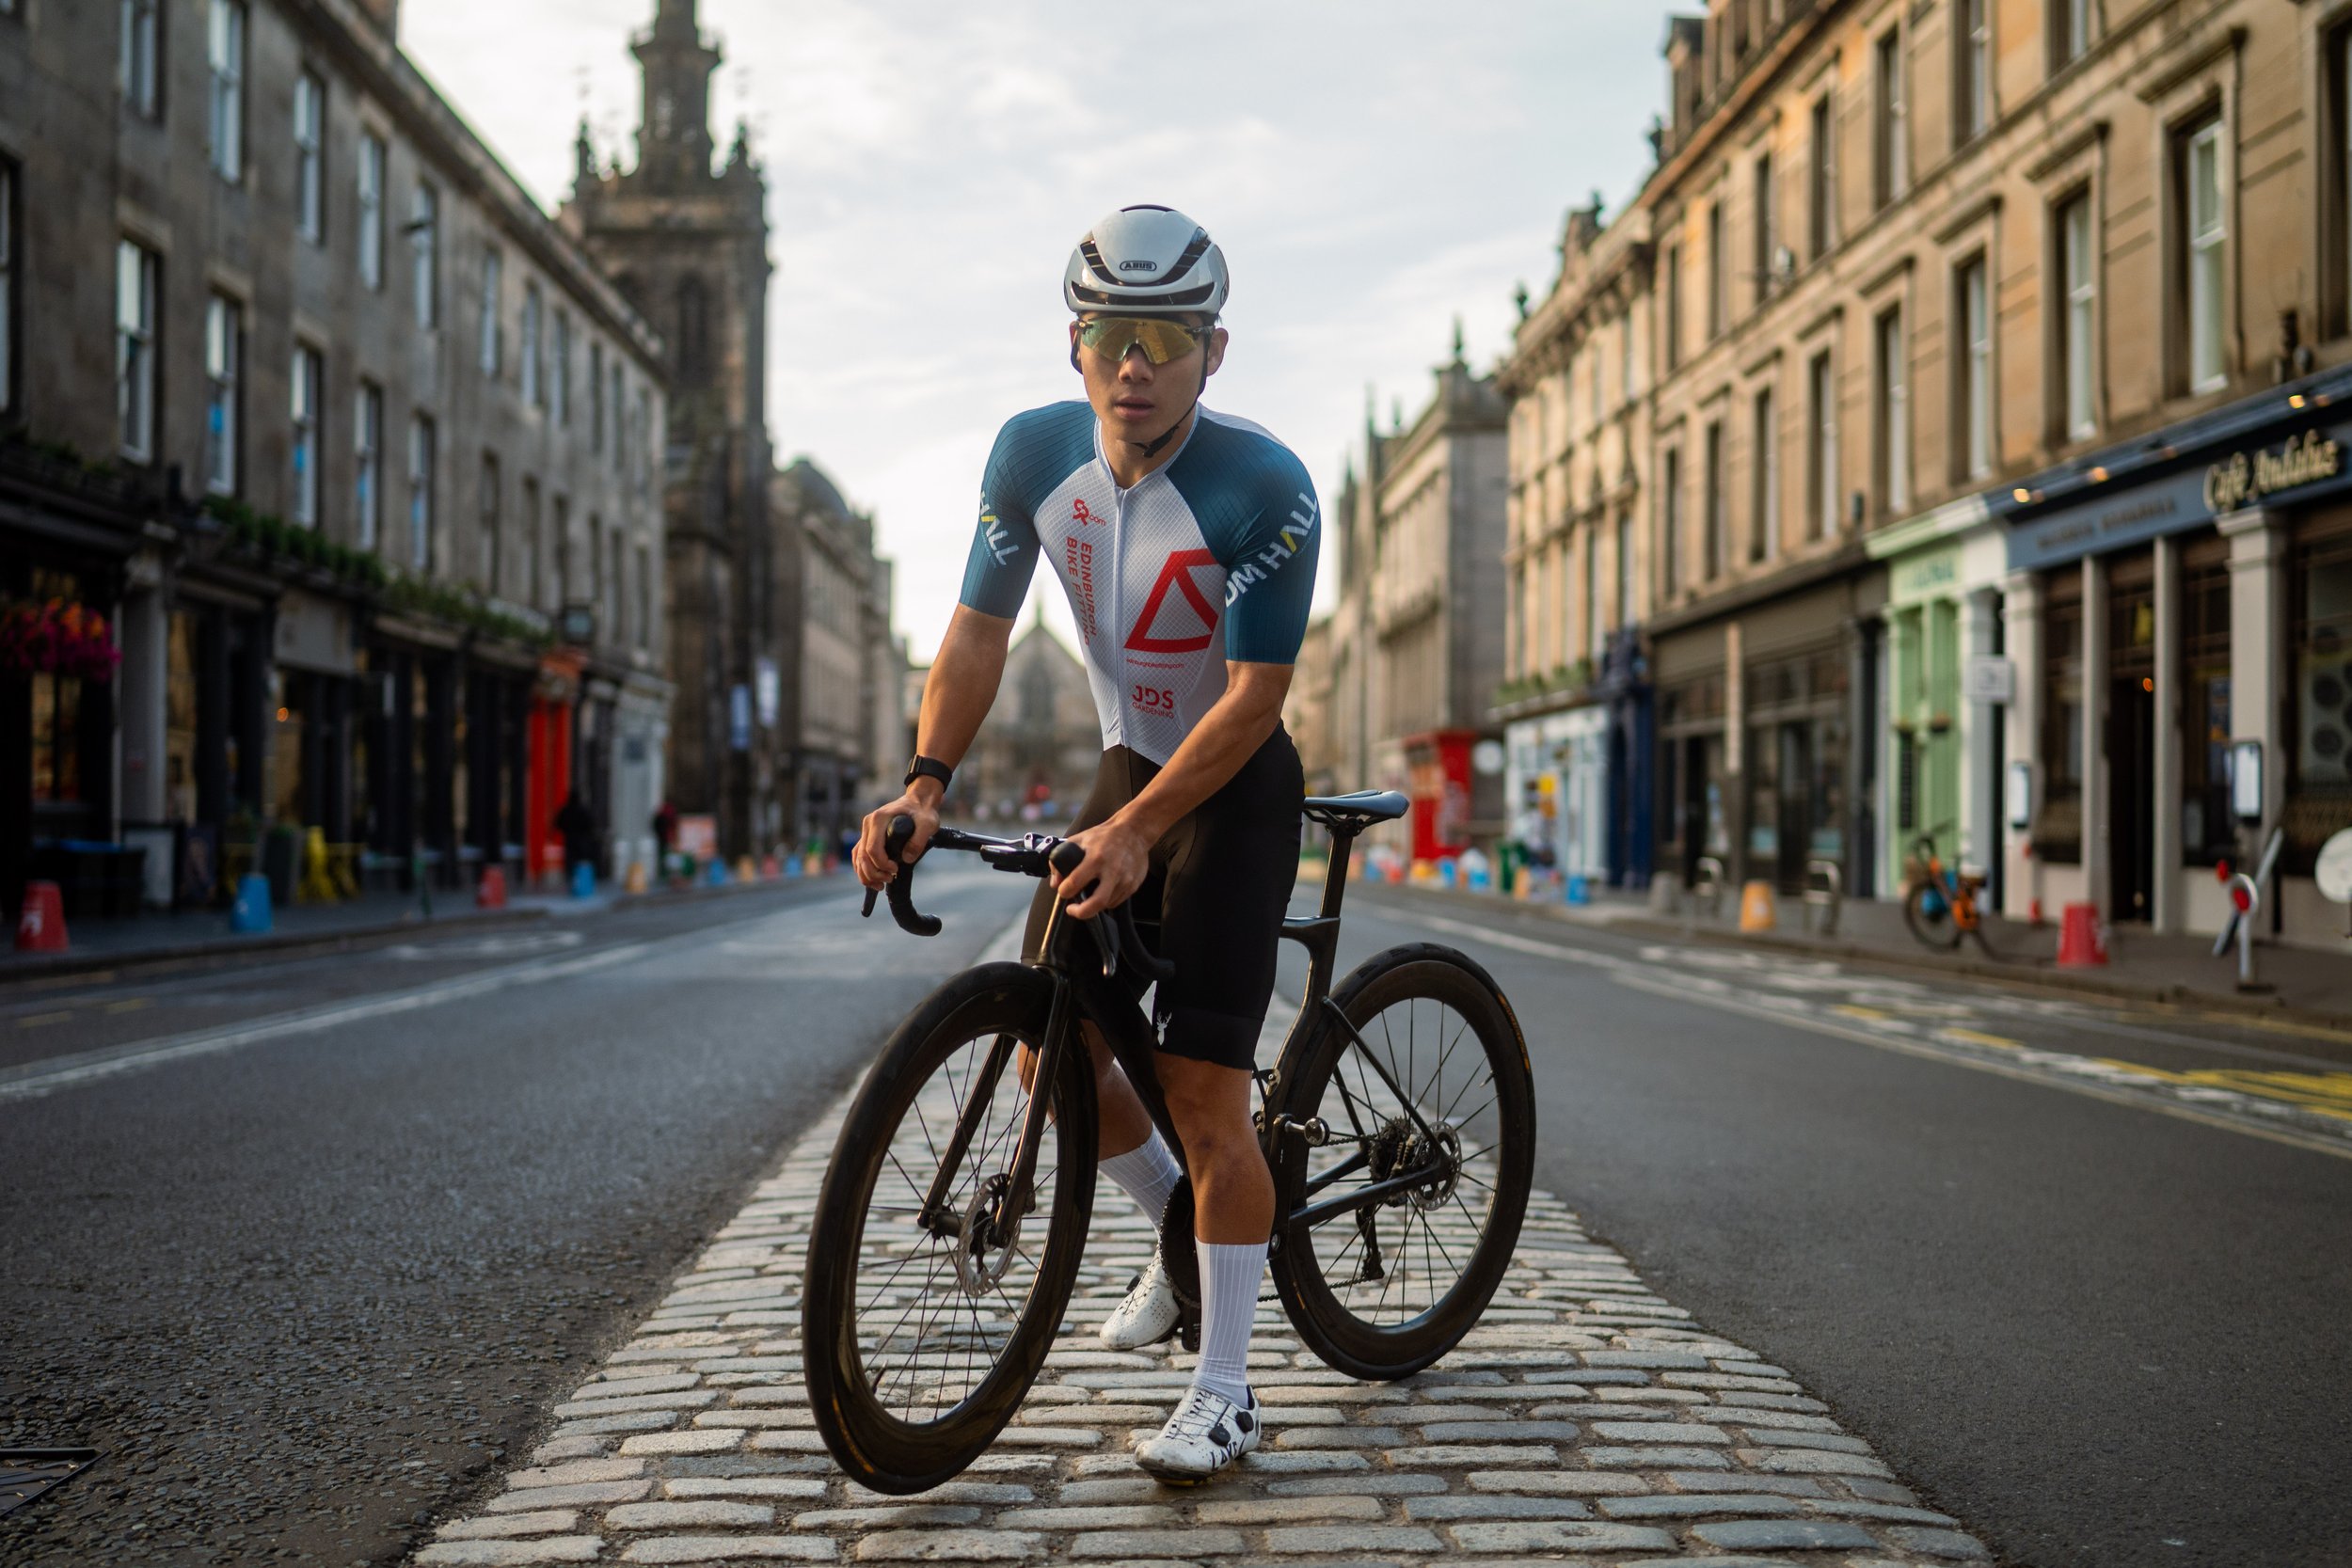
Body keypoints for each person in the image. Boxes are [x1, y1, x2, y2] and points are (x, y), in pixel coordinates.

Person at [854, 204, 1318, 1484]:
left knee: (1205, 1091)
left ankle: (1226, 1389)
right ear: (1077, 342)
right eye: (1114, 331)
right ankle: (1179, 1223)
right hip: (1124, 767)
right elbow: (979, 632)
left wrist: (1138, 825)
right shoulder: (1030, 458)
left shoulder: (1264, 486)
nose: (1136, 359)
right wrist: (926, 783)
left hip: (1227, 784)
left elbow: (1255, 697)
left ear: (1211, 352)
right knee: (1040, 1052)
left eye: (1166, 333)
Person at [554, 790, 596, 884]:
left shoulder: (566, 810)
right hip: (581, 839)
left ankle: (572, 879)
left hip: (570, 838)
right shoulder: (582, 811)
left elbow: (557, 824)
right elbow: (590, 824)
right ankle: (581, 881)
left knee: (570, 860)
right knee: (581, 861)